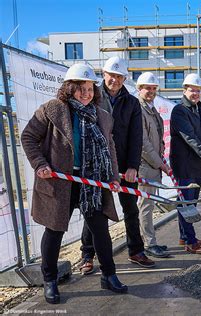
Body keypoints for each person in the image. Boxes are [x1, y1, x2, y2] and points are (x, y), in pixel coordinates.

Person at [21, 64, 127, 304]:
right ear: (69, 89)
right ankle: (50, 280)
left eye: (89, 88)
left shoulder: (102, 116)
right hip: (60, 183)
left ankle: (109, 276)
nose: (86, 93)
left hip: (92, 183)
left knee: (100, 231)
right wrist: (40, 164)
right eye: (80, 88)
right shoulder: (52, 110)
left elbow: (109, 148)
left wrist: (113, 177)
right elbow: (28, 137)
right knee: (55, 230)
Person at [80, 57, 155, 273]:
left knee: (130, 208)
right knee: (94, 209)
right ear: (103, 74)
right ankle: (87, 255)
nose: (115, 79)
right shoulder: (91, 95)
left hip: (123, 164)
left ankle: (136, 251)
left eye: (119, 76)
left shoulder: (131, 103)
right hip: (97, 162)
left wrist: (132, 166)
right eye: (111, 75)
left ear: (124, 78)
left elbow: (136, 136)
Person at [170, 73, 201, 254]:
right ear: (184, 90)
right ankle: (190, 242)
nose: (196, 94)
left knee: (188, 202)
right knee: (187, 203)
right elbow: (190, 138)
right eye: (192, 90)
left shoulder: (199, 109)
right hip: (184, 165)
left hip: (196, 165)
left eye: (198, 91)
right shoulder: (179, 110)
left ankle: (185, 236)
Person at [136, 72, 171, 258]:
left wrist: (162, 159)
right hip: (145, 166)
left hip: (154, 165)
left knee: (148, 205)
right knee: (146, 206)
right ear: (139, 89)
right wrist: (160, 163)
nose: (150, 91)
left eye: (153, 88)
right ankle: (149, 244)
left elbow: (158, 139)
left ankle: (150, 241)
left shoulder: (152, 109)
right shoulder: (139, 109)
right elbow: (142, 143)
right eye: (147, 88)